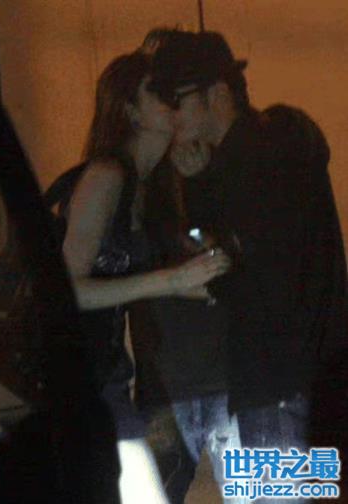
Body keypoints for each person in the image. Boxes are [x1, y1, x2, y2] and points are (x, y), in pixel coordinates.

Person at [146, 29, 347, 502]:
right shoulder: (277, 144)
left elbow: (234, 267)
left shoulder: (248, 162)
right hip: (303, 375)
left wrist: (200, 191)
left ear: (217, 94)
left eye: (177, 101)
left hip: (272, 379)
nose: (169, 117)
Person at [62, 50, 230, 504]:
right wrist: (171, 281)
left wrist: (192, 274)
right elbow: (67, 289)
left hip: (111, 375)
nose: (173, 102)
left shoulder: (150, 182)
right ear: (130, 111)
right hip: (80, 379)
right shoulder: (105, 176)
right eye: (158, 93)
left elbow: (178, 251)